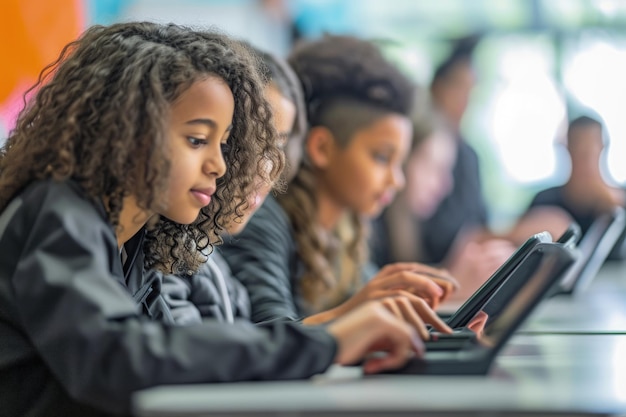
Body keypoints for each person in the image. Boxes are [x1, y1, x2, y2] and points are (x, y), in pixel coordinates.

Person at [0, 22, 426, 417]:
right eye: (197, 140)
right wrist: (327, 343)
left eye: (224, 144)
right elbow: (118, 358)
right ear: (127, 131)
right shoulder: (56, 214)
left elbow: (184, 357)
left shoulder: (138, 243)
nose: (220, 166)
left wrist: (338, 335)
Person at [220, 34, 456, 339]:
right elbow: (268, 339)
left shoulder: (348, 228)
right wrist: (360, 310)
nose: (397, 180)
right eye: (382, 157)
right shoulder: (262, 218)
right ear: (322, 147)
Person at [161, 45, 308, 324]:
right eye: (246, 142)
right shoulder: (161, 250)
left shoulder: (208, 251)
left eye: (278, 145)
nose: (265, 169)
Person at [370, 96, 457, 269]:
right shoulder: (369, 226)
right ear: (402, 158)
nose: (446, 186)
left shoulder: (418, 228)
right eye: (433, 167)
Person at [525, 115, 625, 236]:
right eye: (578, 149)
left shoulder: (619, 203)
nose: (584, 162)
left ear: (602, 148)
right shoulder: (544, 202)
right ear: (567, 148)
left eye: (589, 152)